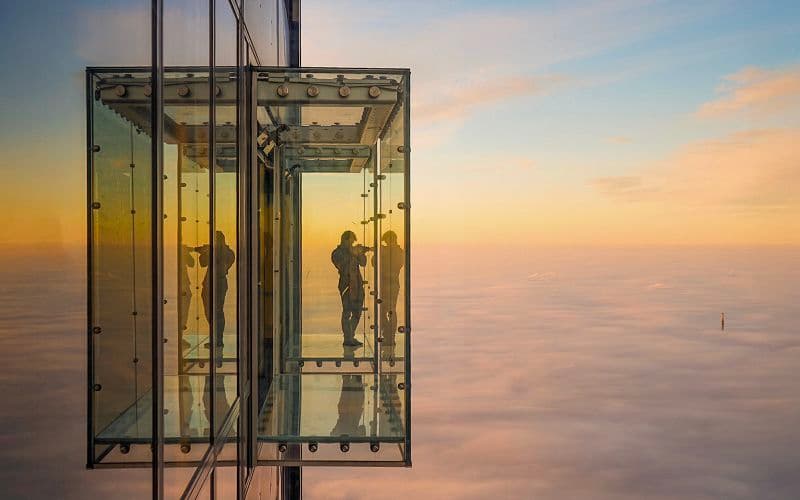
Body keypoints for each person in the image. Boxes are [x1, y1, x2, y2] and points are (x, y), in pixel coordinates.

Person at [195, 231, 236, 354]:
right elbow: (203, 263)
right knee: (211, 311)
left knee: (216, 311)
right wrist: (205, 252)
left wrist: (208, 252)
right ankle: (216, 337)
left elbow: (208, 263)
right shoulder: (225, 252)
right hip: (212, 283)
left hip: (217, 283)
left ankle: (218, 339)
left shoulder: (226, 253)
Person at [331, 230, 370, 347]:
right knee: (347, 312)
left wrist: (359, 253)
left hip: (358, 285)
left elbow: (363, 263)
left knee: (357, 312)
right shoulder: (337, 253)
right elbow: (342, 266)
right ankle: (347, 338)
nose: (352, 243)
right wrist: (353, 253)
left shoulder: (352, 251)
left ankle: (350, 336)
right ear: (345, 240)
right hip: (346, 285)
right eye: (351, 241)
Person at [374, 230, 405, 346]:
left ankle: (390, 337)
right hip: (385, 284)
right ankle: (388, 336)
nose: (386, 243)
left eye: (387, 241)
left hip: (391, 284)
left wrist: (383, 254)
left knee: (390, 310)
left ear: (392, 239)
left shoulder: (398, 252)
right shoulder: (391, 251)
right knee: (382, 311)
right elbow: (374, 263)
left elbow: (397, 265)